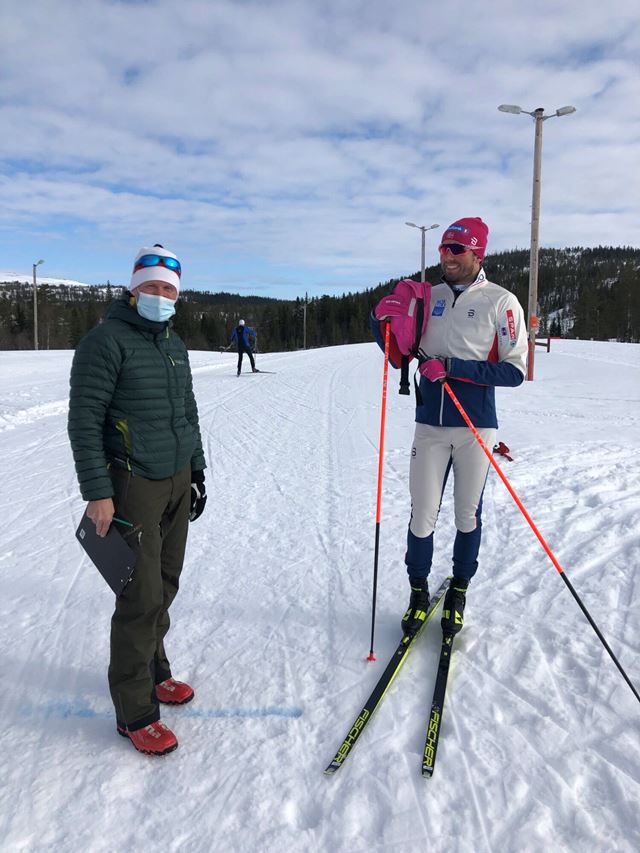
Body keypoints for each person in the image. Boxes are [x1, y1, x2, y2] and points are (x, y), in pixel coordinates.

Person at [68, 244, 207, 756]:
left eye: (168, 289)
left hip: (174, 479)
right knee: (139, 596)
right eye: (151, 287)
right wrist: (97, 494)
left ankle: (155, 671)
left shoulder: (175, 344)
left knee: (165, 583)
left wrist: (196, 471)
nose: (160, 296)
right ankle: (134, 712)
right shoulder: (104, 342)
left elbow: (187, 412)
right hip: (130, 485)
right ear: (133, 288)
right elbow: (83, 423)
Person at [376, 218, 527, 639]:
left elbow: (515, 371)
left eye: (457, 249)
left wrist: (455, 368)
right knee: (422, 515)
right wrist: (382, 325)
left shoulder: (502, 301)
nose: (447, 256)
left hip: (475, 427)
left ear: (478, 253)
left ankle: (458, 592)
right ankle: (418, 592)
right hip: (430, 425)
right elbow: (400, 348)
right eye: (443, 249)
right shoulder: (429, 297)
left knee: (466, 515)